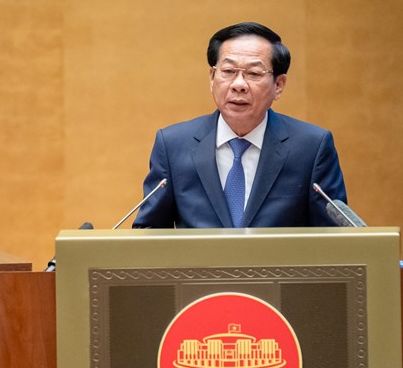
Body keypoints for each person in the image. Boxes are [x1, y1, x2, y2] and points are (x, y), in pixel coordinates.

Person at [133, 22, 347, 228]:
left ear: (279, 85)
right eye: (228, 71)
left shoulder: (312, 148)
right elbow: (149, 231)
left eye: (253, 74)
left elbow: (334, 237)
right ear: (212, 77)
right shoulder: (172, 145)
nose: (238, 85)